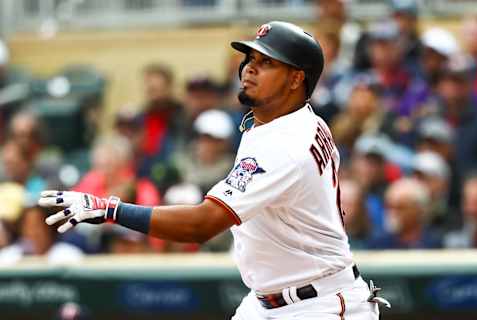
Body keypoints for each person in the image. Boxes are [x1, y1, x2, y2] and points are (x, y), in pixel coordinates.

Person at [39, 21, 388, 319]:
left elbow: (201, 225)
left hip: (316, 306)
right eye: (250, 58)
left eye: (266, 62)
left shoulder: (283, 143)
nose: (249, 68)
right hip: (274, 298)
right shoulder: (298, 122)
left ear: (297, 78)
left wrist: (111, 209)